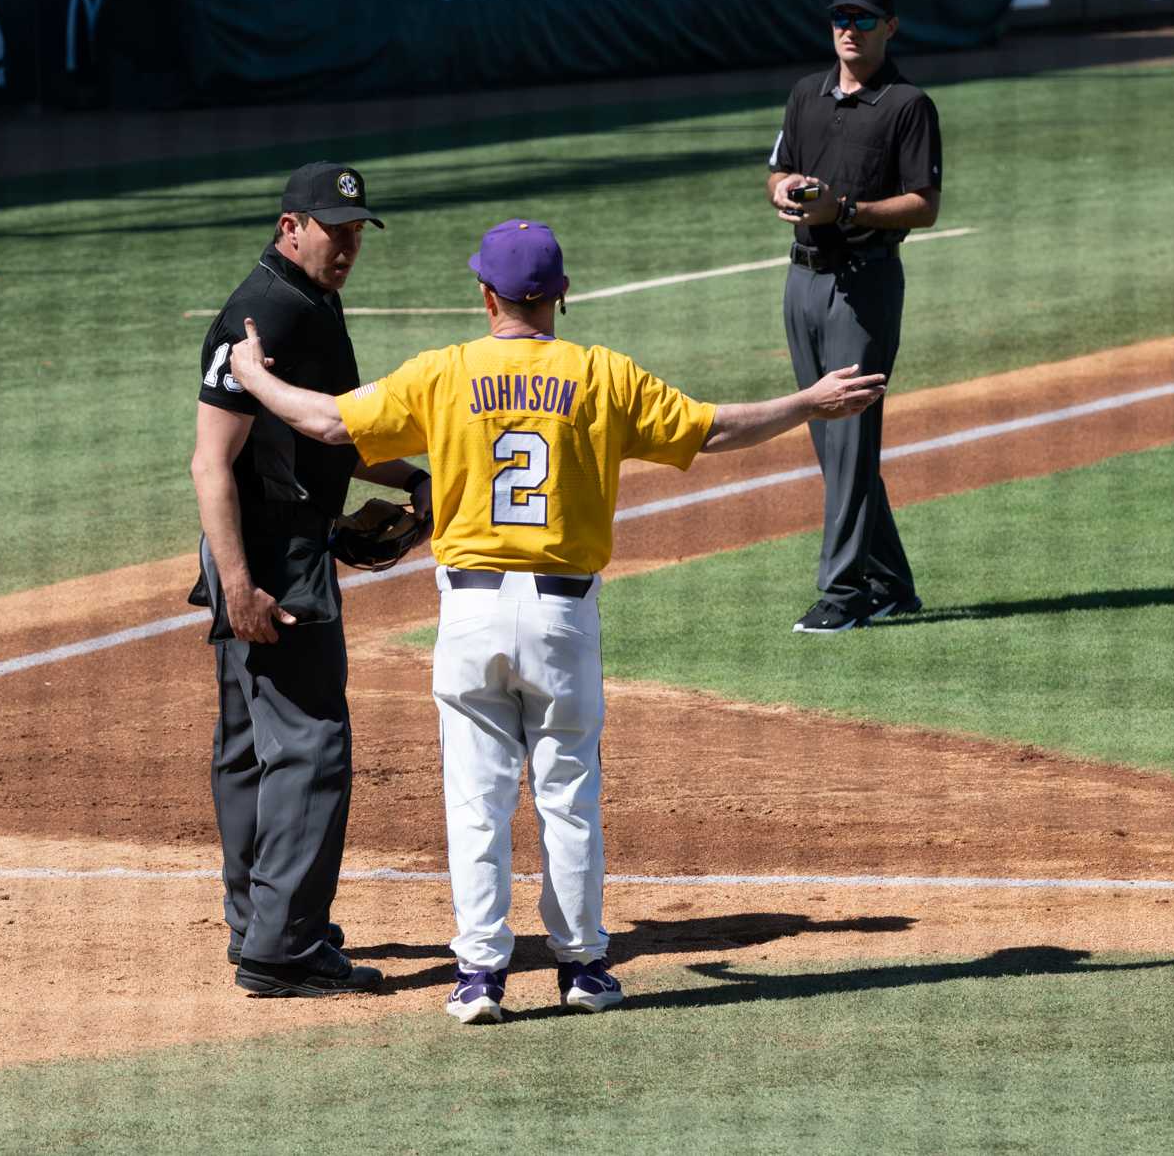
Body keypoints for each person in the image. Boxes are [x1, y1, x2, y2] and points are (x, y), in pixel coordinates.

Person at [222, 217, 885, 1022]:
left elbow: (327, 423)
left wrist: (253, 375)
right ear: (561, 294)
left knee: (477, 798)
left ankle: (478, 977)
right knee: (567, 791)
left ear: (484, 294)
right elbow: (713, 428)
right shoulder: (600, 375)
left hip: (468, 614)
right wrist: (810, 400)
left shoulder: (446, 372)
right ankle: (582, 967)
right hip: (563, 617)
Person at [188, 163, 410, 1000]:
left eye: (356, 229)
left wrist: (411, 479)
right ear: (290, 226)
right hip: (270, 559)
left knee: (251, 746)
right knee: (312, 745)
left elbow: (335, 433)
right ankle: (281, 949)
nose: (347, 243)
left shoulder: (310, 297)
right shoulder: (266, 310)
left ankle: (260, 921)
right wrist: (238, 585)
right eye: (331, 228)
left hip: (273, 546)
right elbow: (211, 463)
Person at [767, 0, 941, 635]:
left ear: (889, 28)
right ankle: (892, 582)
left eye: (865, 18)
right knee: (830, 438)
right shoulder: (805, 95)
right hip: (802, 281)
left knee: (853, 435)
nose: (849, 28)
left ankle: (843, 590)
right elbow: (777, 172)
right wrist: (785, 193)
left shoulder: (907, 104)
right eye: (842, 15)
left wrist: (850, 208)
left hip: (864, 286)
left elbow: (924, 204)